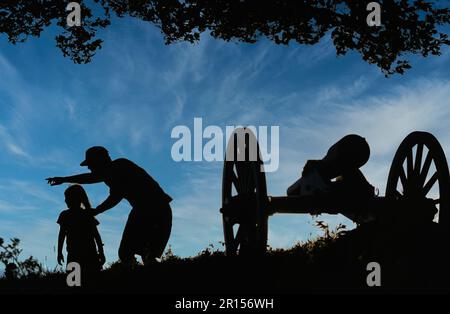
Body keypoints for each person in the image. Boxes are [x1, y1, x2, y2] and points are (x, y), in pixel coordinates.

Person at [47, 146, 172, 266]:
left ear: (99, 162)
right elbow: (91, 178)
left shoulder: (120, 167)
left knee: (140, 253)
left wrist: (97, 210)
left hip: (155, 210)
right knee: (131, 253)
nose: (89, 167)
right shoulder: (112, 171)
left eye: (90, 164)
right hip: (145, 210)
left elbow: (115, 195)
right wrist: (64, 179)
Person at [57, 184, 105, 274]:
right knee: (92, 282)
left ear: (73, 199)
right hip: (89, 254)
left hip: (76, 255)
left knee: (75, 283)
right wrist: (101, 252)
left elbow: (61, 235)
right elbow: (97, 236)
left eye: (67, 197)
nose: (65, 200)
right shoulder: (87, 214)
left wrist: (59, 252)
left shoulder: (66, 215)